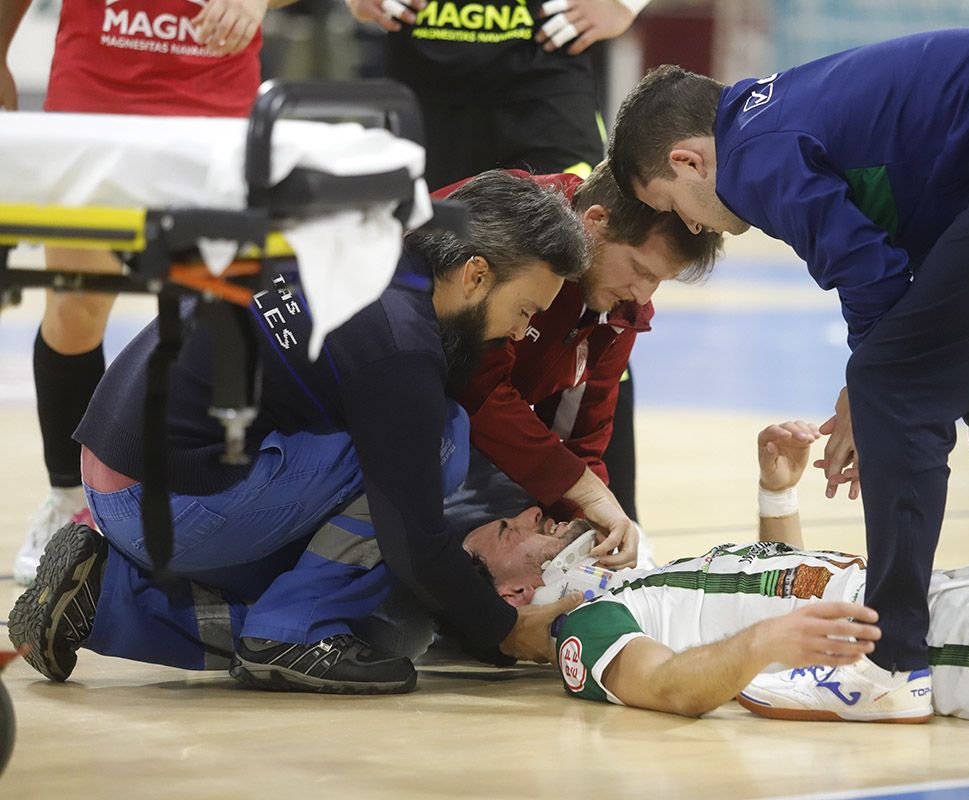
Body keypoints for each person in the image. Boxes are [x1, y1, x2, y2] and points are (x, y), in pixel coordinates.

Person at [604, 29, 969, 715]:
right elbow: (916, 274)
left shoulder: (752, 152)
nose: (694, 229)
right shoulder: (782, 109)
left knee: (894, 389)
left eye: (673, 206)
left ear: (690, 160)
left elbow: (866, 271)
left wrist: (869, 390)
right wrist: (871, 381)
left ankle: (890, 658)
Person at [8, 172, 588, 693]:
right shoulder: (400, 346)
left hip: (114, 469)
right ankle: (294, 632)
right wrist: (504, 630)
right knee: (440, 443)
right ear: (476, 274)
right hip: (164, 498)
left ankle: (103, 597)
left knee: (354, 595)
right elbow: (413, 539)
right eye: (526, 310)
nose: (519, 332)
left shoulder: (366, 241)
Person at [463, 421, 969, 728]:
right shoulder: (591, 628)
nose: (532, 516)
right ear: (514, 593)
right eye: (508, 531)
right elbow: (667, 688)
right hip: (929, 645)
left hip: (952, 587)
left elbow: (791, 586)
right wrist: (761, 647)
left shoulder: (643, 577)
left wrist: (776, 493)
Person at [0, 0, 296, 585]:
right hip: (93, 100)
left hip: (214, 106)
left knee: (227, 310)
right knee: (75, 304)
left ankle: (221, 504)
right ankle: (68, 501)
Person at [344, 0, 653, 526]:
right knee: (428, 305)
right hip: (426, 78)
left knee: (593, 306)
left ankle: (610, 530)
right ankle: (421, 526)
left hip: (545, 74)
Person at [438, 163, 722, 565]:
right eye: (641, 271)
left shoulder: (616, 307)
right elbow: (475, 385)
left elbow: (580, 439)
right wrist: (587, 492)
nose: (643, 295)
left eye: (659, 281)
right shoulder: (516, 226)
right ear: (595, 223)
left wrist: (584, 527)